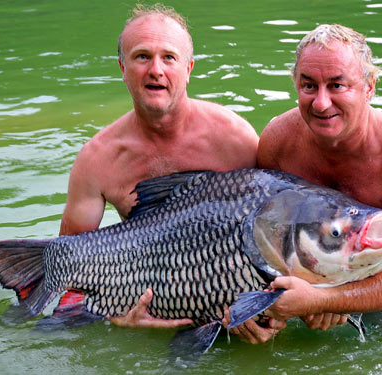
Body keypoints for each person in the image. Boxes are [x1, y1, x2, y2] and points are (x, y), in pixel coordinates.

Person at [59, 3, 285, 341]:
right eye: (141, 57)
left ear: (188, 68)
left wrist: (271, 312)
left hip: (233, 304)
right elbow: (66, 265)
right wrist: (115, 315)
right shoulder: (98, 159)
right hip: (149, 297)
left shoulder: (235, 138)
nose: (155, 70)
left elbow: (280, 231)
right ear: (122, 68)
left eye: (169, 57)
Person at [255, 24, 382, 324]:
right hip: (326, 266)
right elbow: (267, 236)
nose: (321, 103)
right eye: (309, 85)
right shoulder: (278, 142)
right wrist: (311, 296)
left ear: (369, 87)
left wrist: (326, 300)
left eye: (337, 85)